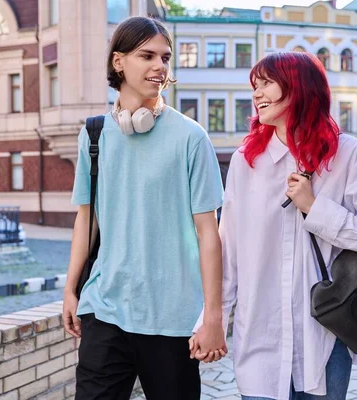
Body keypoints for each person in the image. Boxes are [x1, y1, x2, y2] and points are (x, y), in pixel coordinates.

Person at [190, 52, 357, 399]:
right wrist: (211, 321)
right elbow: (229, 253)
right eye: (254, 86)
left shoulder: (346, 155)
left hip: (325, 338)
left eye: (267, 83)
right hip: (260, 336)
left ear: (300, 88)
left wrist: (316, 209)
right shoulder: (248, 161)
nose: (257, 94)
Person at [62, 16, 227, 399]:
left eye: (165, 57)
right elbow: (87, 218)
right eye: (147, 55)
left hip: (173, 320)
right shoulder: (94, 135)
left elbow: (209, 234)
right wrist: (71, 289)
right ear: (118, 62)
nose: (160, 66)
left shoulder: (191, 137)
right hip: (104, 310)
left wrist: (213, 317)